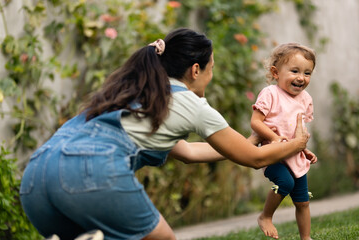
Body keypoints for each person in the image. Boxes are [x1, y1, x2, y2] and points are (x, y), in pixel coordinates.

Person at [20, 28, 310, 240]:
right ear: (196, 69)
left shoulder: (134, 89)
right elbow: (256, 160)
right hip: (90, 171)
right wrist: (297, 143)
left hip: (36, 178)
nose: (211, 75)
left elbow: (188, 152)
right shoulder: (190, 103)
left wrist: (248, 141)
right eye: (211, 69)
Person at [251, 43, 318, 240]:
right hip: (273, 155)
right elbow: (255, 122)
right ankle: (265, 216)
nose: (301, 77)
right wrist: (273, 137)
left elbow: (299, 131)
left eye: (307, 73)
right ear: (276, 72)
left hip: (295, 156)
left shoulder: (305, 99)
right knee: (285, 182)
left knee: (303, 202)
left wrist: (305, 151)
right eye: (295, 71)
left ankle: (306, 237)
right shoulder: (270, 94)